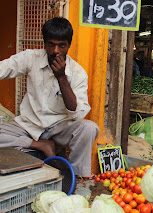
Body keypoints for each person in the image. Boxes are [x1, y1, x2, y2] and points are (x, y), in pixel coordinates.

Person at [0, 17, 99, 178]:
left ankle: (77, 177)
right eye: (51, 44)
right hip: (28, 126)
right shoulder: (31, 57)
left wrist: (61, 78)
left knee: (89, 128)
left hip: (58, 129)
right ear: (44, 43)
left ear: (69, 45)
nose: (55, 51)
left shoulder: (77, 72)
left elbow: (77, 113)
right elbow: (3, 68)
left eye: (62, 45)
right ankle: (38, 145)